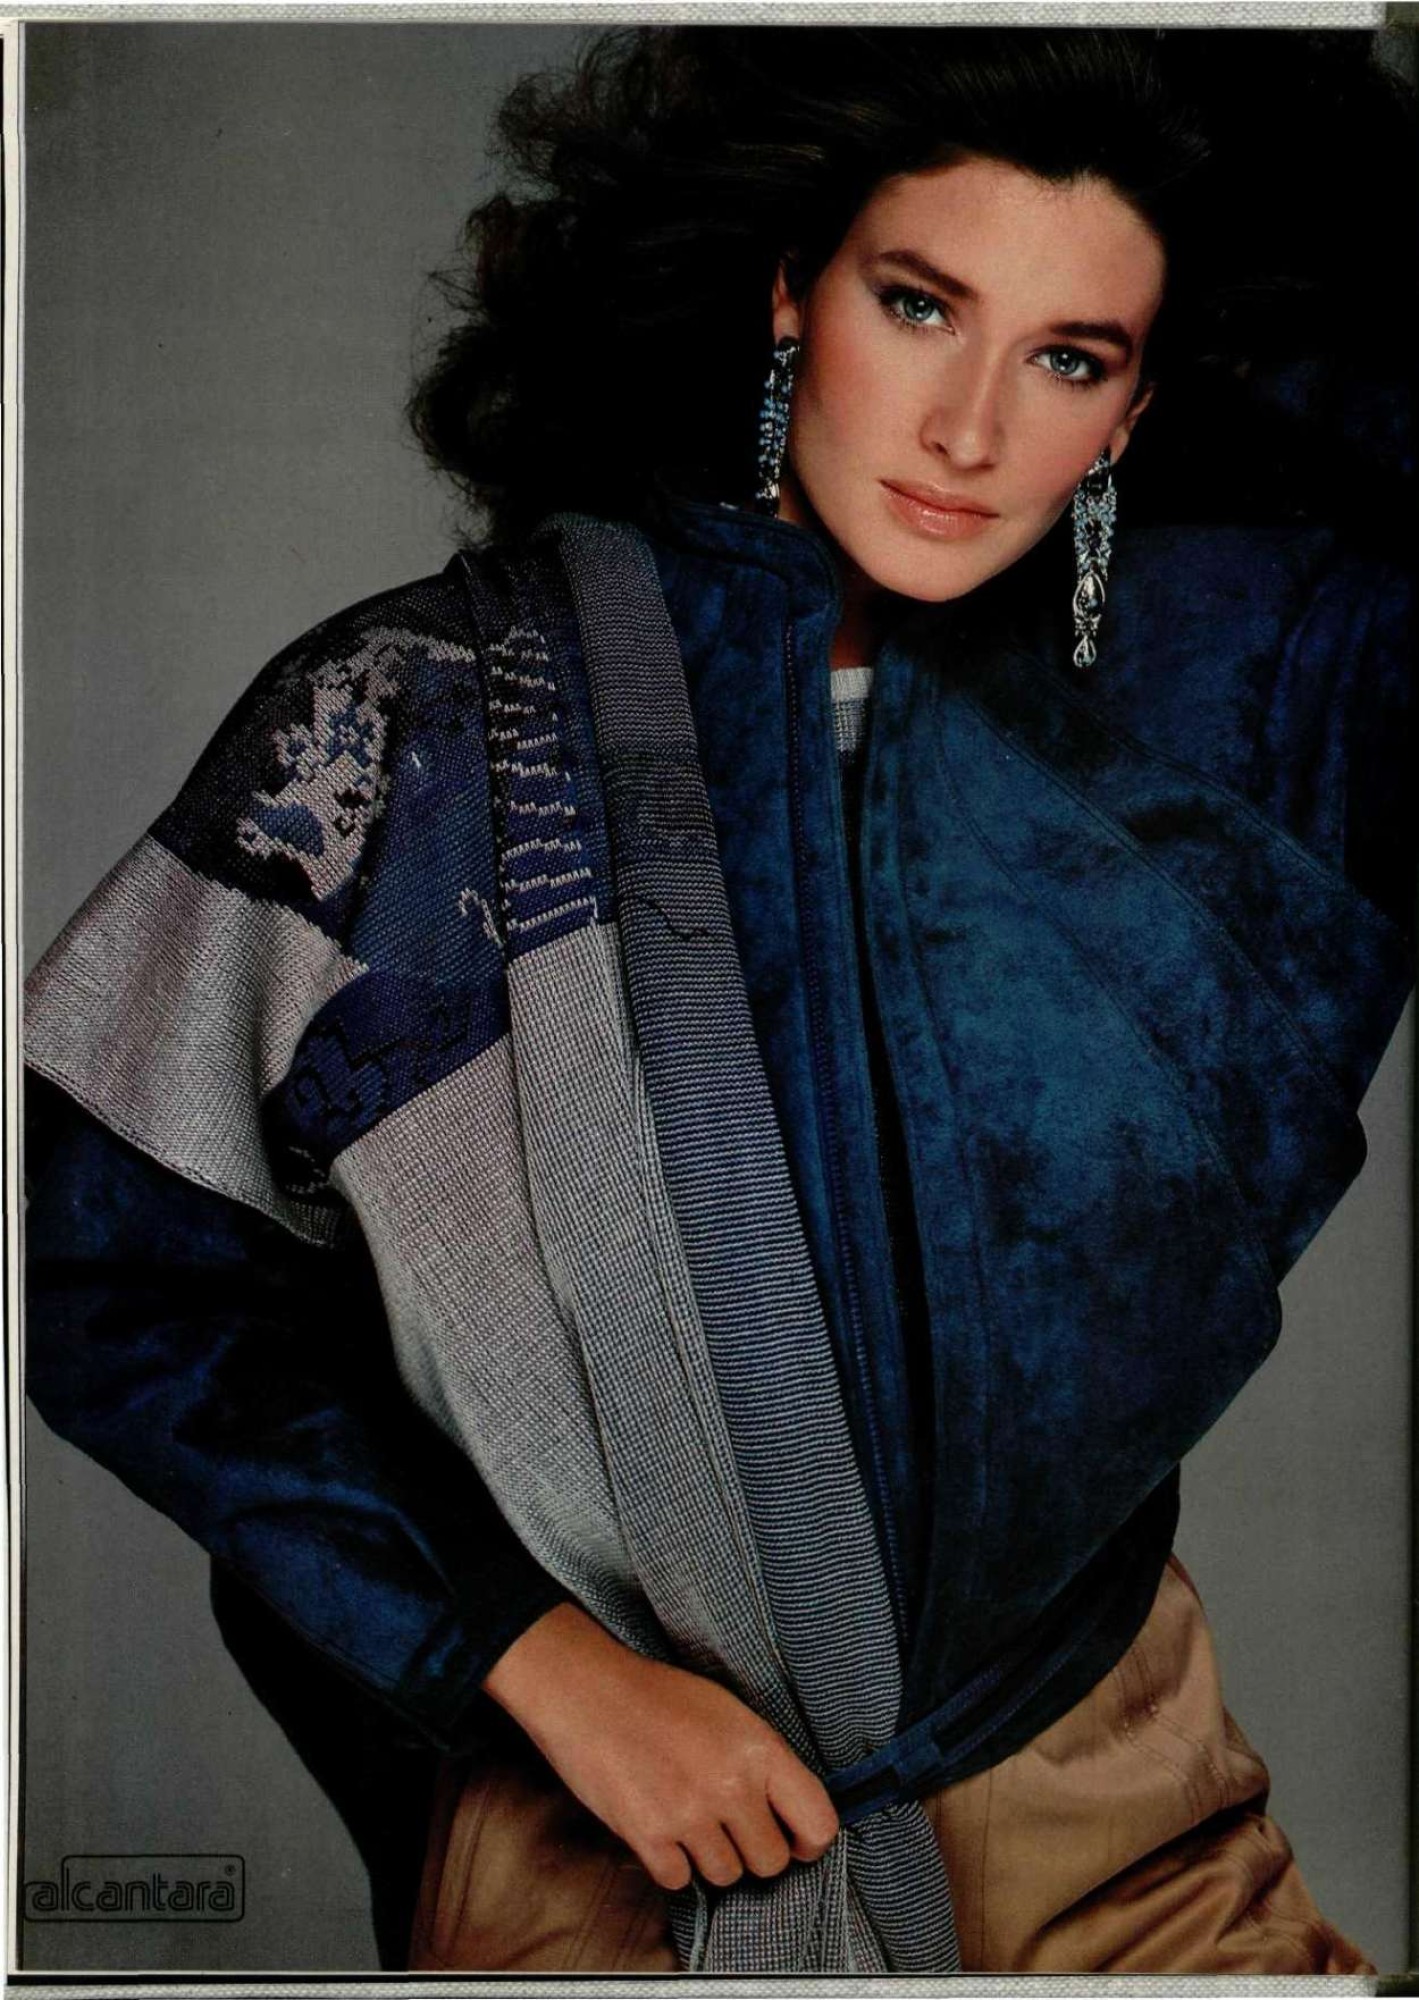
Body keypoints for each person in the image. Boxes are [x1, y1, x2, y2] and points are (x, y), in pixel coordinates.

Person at [23, 24, 1416, 1977]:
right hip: (606, 1830)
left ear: (1132, 409)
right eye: (917, 304)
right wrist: (531, 1662)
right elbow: (107, 1275)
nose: (967, 427)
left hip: (1115, 1795)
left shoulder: (1236, 726)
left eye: (1068, 357)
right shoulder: (425, 727)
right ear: (787, 291)